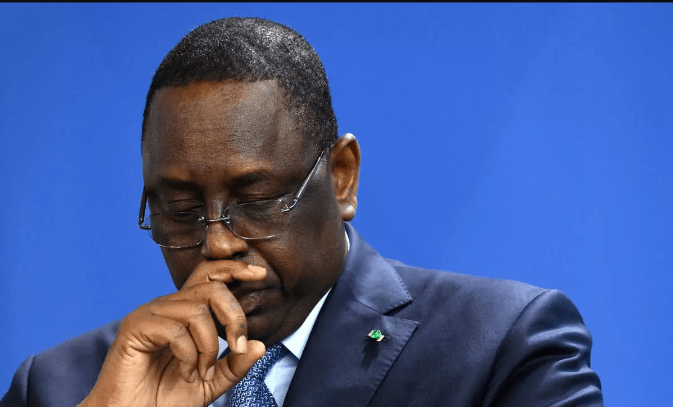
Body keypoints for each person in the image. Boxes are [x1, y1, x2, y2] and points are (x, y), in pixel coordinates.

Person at [1, 17, 603, 407]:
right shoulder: (59, 387)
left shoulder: (502, 345)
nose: (216, 244)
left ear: (341, 177)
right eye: (180, 210)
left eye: (257, 200)